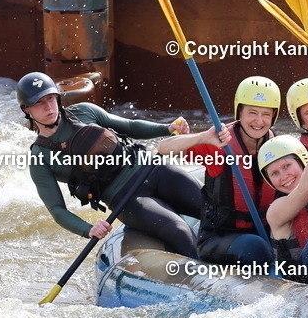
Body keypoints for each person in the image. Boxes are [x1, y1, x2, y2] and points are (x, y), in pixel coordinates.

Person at [18, 71, 201, 256]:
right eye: (38, 102)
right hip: (127, 199)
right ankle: (207, 277)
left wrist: (167, 129)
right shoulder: (39, 157)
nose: (48, 106)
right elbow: (57, 209)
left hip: (153, 169)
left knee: (213, 207)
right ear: (27, 110)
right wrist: (88, 229)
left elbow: (129, 127)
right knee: (179, 230)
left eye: (50, 98)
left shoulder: (84, 111)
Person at [156, 76, 278, 266]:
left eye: (266, 114)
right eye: (252, 112)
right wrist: (204, 137)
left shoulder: (279, 148)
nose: (259, 121)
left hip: (265, 233)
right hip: (219, 238)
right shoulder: (220, 145)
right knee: (254, 247)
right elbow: (163, 148)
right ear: (240, 112)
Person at [259, 128, 308, 285]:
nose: (283, 176)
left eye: (287, 166)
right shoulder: (276, 210)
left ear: (303, 161)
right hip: (303, 284)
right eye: (274, 173)